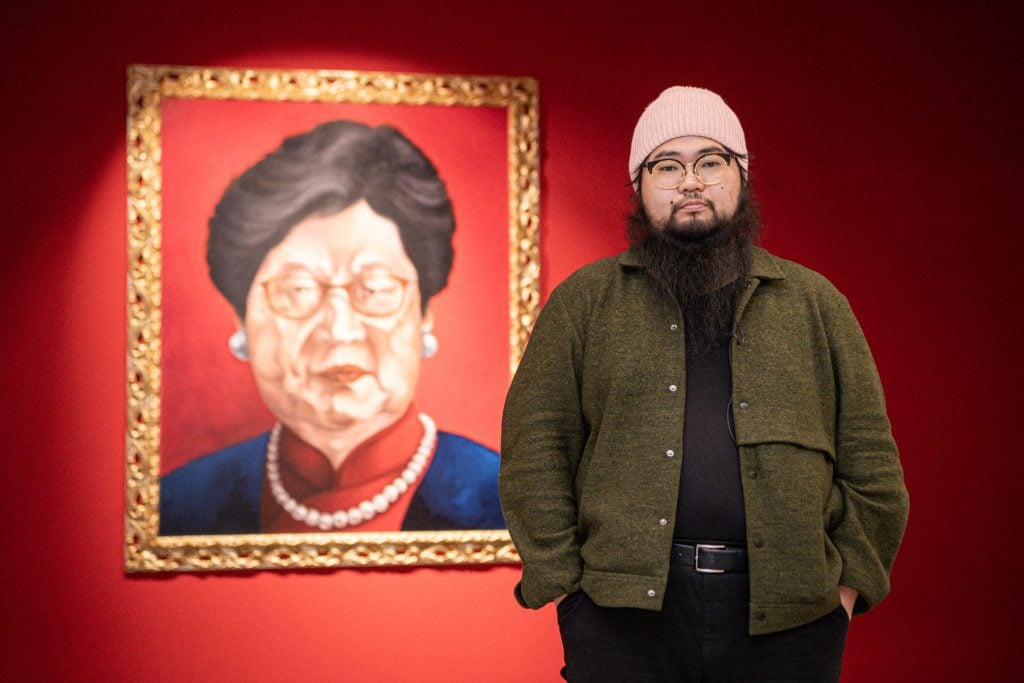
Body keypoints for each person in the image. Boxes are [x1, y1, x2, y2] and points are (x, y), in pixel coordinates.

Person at [500, 87, 909, 681]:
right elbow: (533, 452)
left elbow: (872, 465)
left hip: (793, 620)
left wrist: (843, 595)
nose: (690, 181)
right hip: (621, 621)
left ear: (740, 177)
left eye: (710, 161)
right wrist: (569, 594)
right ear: (639, 188)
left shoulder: (815, 303)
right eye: (667, 166)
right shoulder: (585, 302)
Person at [160, 120, 504, 535]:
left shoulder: (503, 499)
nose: (340, 331)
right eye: (297, 290)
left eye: (374, 289)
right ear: (242, 320)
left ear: (424, 314)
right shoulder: (180, 506)